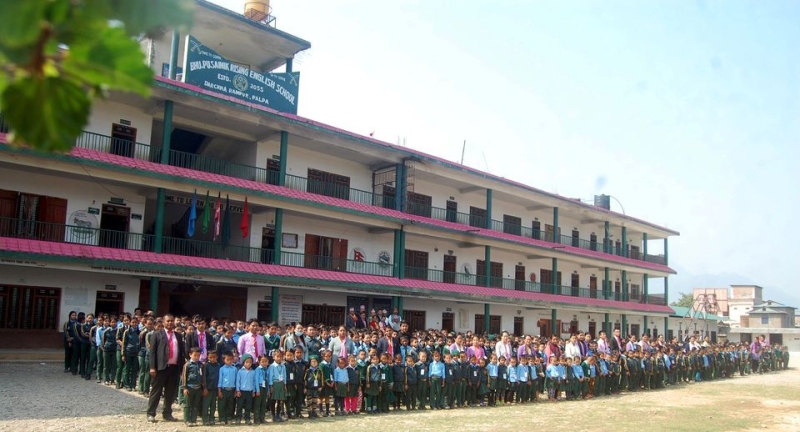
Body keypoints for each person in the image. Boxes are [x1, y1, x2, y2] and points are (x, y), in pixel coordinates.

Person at [147, 314, 185, 423]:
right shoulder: (157, 334)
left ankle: (167, 413)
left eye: (172, 321)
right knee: (156, 392)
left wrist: (181, 368)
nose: (170, 323)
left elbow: (181, 352)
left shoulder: (178, 335)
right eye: (168, 321)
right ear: (163, 322)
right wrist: (152, 367)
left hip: (174, 368)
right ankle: (151, 413)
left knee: (170, 393)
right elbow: (152, 352)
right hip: (160, 368)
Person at [182, 347, 203, 427]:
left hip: (198, 388)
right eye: (195, 355)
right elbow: (184, 377)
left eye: (198, 355)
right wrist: (185, 388)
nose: (197, 357)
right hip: (189, 387)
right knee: (188, 405)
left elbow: (203, 376)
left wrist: (203, 387)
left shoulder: (201, 365)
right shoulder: (187, 365)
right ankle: (187, 420)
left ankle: (193, 420)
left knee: (195, 405)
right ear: (190, 355)